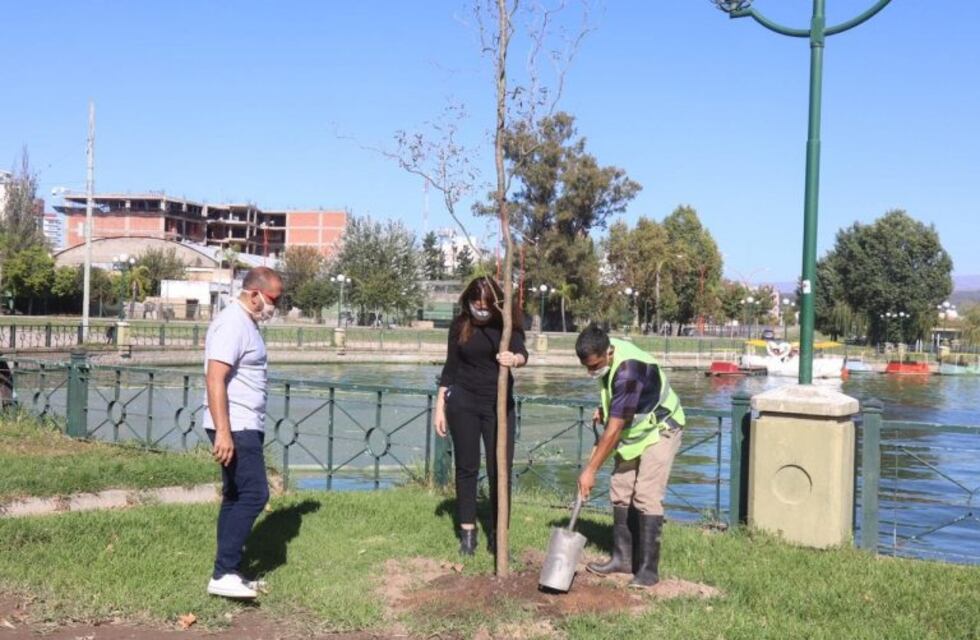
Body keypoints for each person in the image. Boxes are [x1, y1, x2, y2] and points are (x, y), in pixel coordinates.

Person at [575, 324, 685, 587]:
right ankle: (623, 559)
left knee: (646, 494)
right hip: (635, 431)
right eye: (587, 368)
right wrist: (604, 408)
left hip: (661, 428)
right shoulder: (603, 352)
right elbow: (617, 401)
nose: (592, 372)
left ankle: (648, 570)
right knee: (621, 489)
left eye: (595, 366)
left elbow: (613, 431)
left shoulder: (629, 370)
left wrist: (590, 470)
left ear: (608, 353)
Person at [202, 266, 283, 600]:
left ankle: (229, 571)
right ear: (255, 295)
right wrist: (223, 431)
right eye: (274, 298)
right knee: (255, 495)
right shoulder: (232, 323)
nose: (276, 305)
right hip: (236, 426)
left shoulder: (245, 323)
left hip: (243, 423)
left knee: (235, 495)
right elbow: (214, 377)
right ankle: (223, 573)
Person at [435, 277, 528, 555]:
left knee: (500, 470)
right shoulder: (460, 326)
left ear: (496, 304)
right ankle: (468, 534)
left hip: (498, 406)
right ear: (469, 302)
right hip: (463, 402)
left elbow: (523, 352)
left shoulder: (505, 325)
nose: (481, 310)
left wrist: (514, 359)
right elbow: (450, 368)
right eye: (477, 304)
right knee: (467, 468)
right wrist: (440, 406)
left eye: (487, 305)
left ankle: (498, 537)